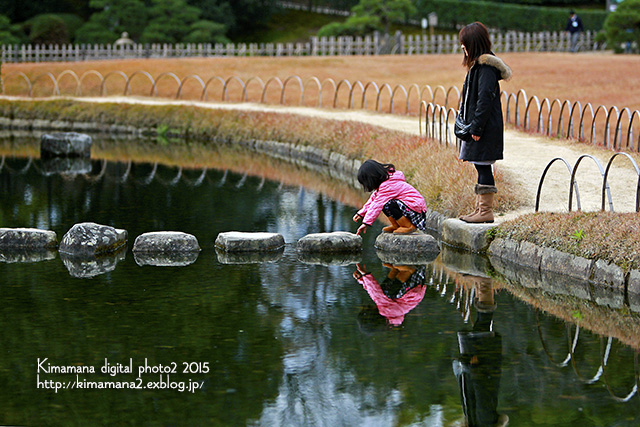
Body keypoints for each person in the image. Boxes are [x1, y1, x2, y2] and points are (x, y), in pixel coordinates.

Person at [457, 22, 512, 224]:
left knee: (483, 166)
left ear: (473, 43)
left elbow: (485, 99)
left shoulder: (486, 68)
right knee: (480, 166)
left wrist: (477, 127)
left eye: (464, 43)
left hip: (485, 127)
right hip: (480, 125)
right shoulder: (478, 66)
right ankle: (480, 209)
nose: (462, 47)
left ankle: (485, 211)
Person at [353, 160, 427, 235]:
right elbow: (373, 200)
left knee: (388, 205)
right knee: (386, 204)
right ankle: (397, 225)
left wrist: (366, 223)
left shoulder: (388, 186)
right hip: (410, 207)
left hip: (415, 209)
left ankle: (408, 226)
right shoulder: (385, 184)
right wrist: (361, 213)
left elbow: (377, 204)